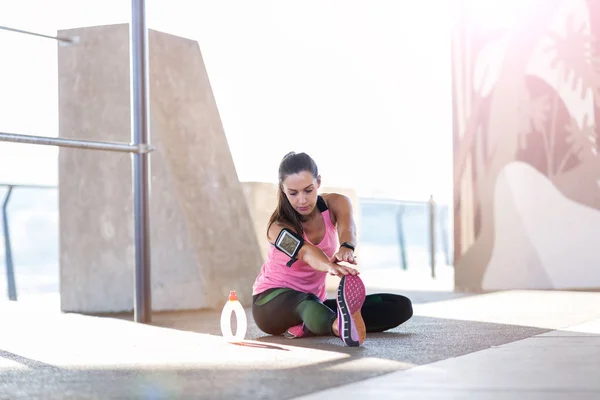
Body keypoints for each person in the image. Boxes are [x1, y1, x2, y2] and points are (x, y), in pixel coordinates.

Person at [252, 151, 413, 347]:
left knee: (399, 306)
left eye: (308, 190)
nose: (301, 200)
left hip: (315, 302)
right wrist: (330, 266)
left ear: (318, 181)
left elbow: (347, 227)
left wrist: (346, 247)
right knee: (307, 303)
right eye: (293, 193)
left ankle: (311, 325)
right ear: (283, 190)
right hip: (270, 303)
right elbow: (305, 252)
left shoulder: (336, 203)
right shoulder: (277, 228)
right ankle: (338, 327)